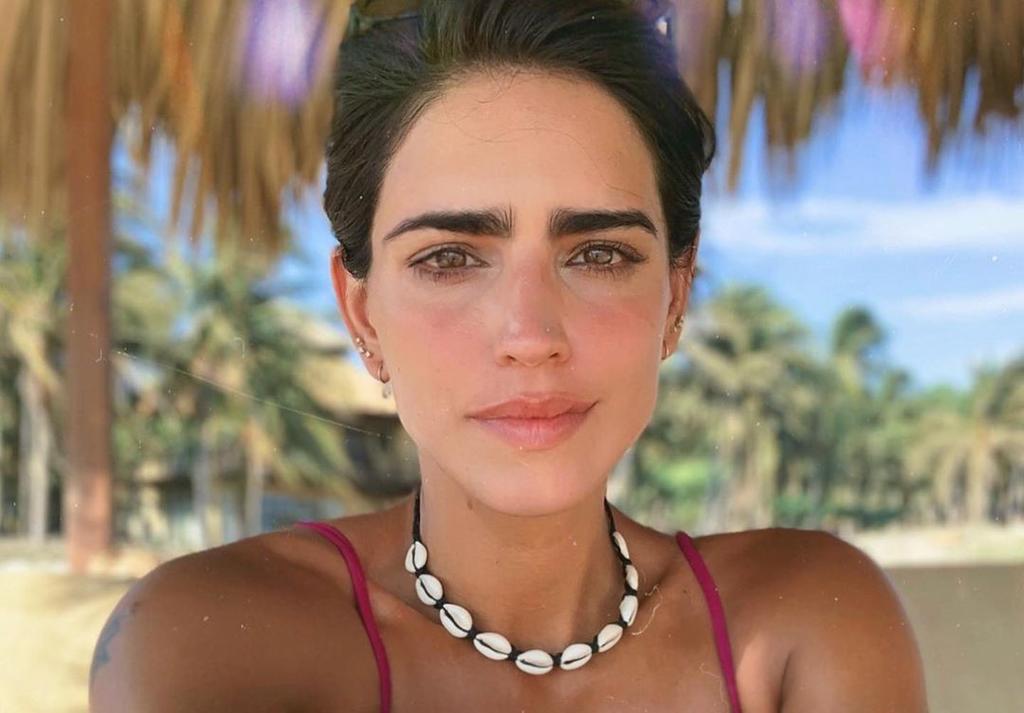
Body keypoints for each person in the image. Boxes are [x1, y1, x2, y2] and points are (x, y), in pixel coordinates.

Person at [89, 1, 929, 711]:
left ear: (675, 297)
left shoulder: (806, 621)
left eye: (598, 253)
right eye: (450, 258)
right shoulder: (216, 638)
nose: (530, 335)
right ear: (362, 312)